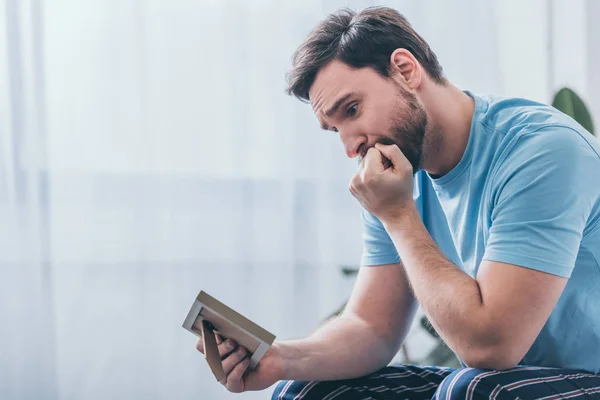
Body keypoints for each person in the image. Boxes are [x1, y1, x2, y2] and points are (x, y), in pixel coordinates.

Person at [196, 6, 600, 399]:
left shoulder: (542, 152)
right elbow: (371, 327)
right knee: (302, 390)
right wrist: (282, 359)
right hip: (514, 382)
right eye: (334, 128)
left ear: (405, 70)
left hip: (584, 375)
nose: (350, 145)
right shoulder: (398, 171)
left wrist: (399, 215)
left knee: (475, 388)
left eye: (352, 110)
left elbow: (491, 348)